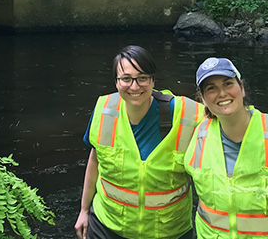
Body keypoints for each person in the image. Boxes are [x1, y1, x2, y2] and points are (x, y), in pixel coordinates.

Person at [74, 45, 203, 239]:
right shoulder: (104, 110)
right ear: (116, 82)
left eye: (142, 78)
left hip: (170, 232)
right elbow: (95, 160)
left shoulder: (187, 114)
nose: (134, 87)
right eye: (126, 78)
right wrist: (84, 211)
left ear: (153, 80)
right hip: (107, 226)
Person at [185, 57, 268, 237]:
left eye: (228, 84)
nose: (222, 93)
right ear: (203, 99)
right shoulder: (198, 135)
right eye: (211, 88)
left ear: (242, 88)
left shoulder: (266, 130)